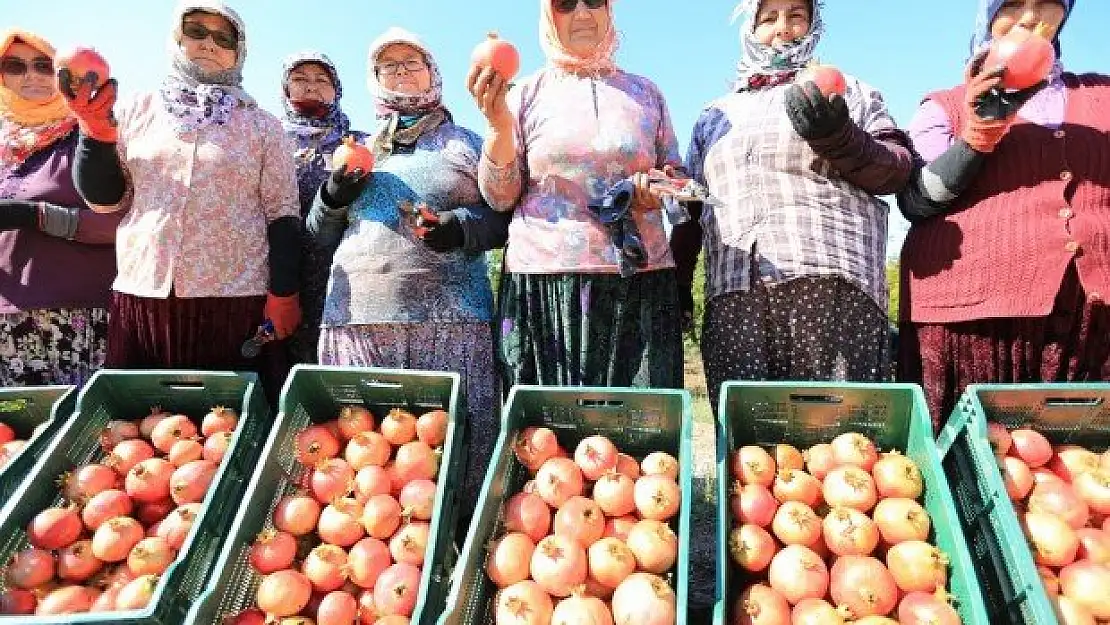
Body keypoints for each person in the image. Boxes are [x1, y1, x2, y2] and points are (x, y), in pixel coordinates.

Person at [308, 27, 508, 530]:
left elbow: (503, 217)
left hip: (450, 321)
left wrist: (457, 230)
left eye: (411, 62)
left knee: (454, 446)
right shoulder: (354, 144)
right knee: (368, 462)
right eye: (388, 66)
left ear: (433, 72)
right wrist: (332, 194)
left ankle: (462, 550)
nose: (401, 72)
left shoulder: (467, 143)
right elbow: (319, 230)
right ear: (374, 79)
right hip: (355, 321)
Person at [672, 0, 912, 407]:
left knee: (839, 449)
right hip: (735, 300)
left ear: (814, 24)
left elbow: (897, 170)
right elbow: (690, 211)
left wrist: (839, 135)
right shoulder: (714, 115)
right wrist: (677, 287)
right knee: (750, 455)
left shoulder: (847, 91)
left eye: (796, 16)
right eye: (768, 18)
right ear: (749, 27)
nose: (783, 28)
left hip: (832, 290)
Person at [59, 1, 301, 402]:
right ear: (176, 37)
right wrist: (94, 131)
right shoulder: (137, 109)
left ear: (238, 51)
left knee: (228, 426)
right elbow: (105, 199)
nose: (208, 43)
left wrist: (284, 296)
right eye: (196, 30)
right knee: (143, 432)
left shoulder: (262, 126)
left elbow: (283, 215)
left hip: (234, 302)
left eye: (223, 37)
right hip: (144, 297)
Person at [897, 0, 1108, 426]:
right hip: (972, 317)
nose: (1030, 18)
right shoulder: (946, 105)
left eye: (1046, 4)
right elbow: (916, 201)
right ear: (989, 16)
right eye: (1013, 5)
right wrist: (978, 135)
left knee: (1080, 466)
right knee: (967, 458)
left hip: (1092, 321)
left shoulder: (1103, 95)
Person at [470, 0, 684, 392]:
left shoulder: (646, 93)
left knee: (641, 435)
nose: (582, 12)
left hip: (639, 280)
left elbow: (677, 178)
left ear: (610, 10)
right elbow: (500, 198)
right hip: (545, 285)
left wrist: (659, 191)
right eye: (566, 4)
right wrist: (498, 124)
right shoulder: (525, 95)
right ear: (550, 17)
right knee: (549, 438)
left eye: (594, 1)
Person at [0, 30, 121, 386]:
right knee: (19, 436)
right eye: (14, 66)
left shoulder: (93, 132)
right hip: (7, 319)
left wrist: (36, 216)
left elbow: (123, 222)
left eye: (43, 65)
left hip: (81, 317)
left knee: (86, 433)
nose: (31, 75)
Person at [280, 51, 368, 365]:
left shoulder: (361, 144)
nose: (311, 87)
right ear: (286, 89)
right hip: (279, 274)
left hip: (341, 277)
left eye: (322, 80)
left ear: (337, 89)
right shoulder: (269, 139)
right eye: (300, 80)